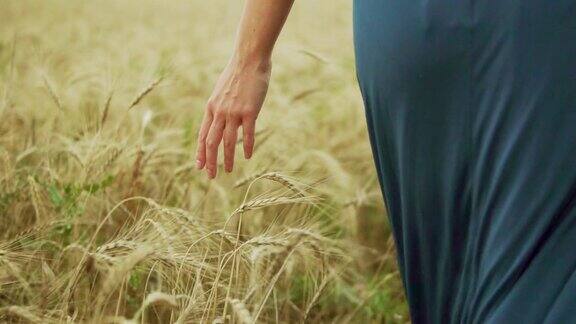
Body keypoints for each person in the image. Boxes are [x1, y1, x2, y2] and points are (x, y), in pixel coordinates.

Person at [195, 1, 576, 323]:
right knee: (543, 263)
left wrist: (250, 59)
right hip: (538, 28)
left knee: (448, 276)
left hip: (404, 28)